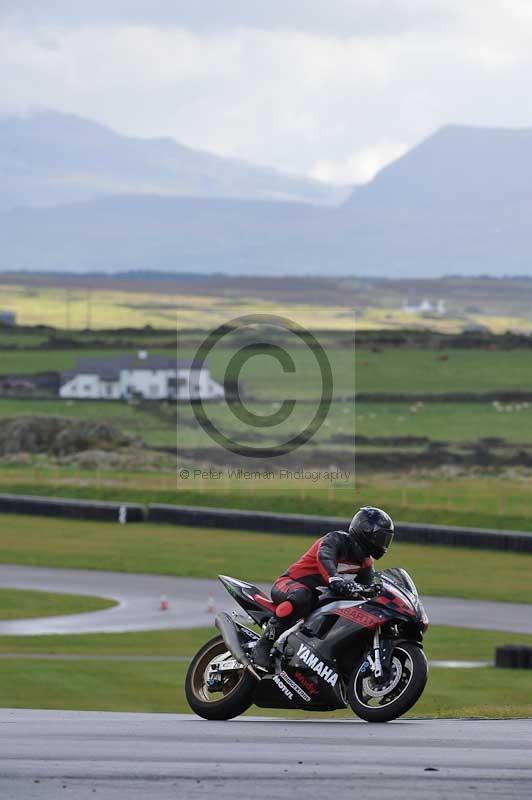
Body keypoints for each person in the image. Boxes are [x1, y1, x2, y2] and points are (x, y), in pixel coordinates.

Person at [252, 506, 395, 670]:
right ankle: (263, 645)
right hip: (289, 584)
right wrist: (336, 580)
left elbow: (367, 587)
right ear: (365, 532)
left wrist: (375, 593)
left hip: (319, 598)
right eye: (380, 538)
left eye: (386, 539)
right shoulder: (335, 540)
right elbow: (325, 558)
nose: (382, 544)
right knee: (302, 596)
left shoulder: (366, 562)